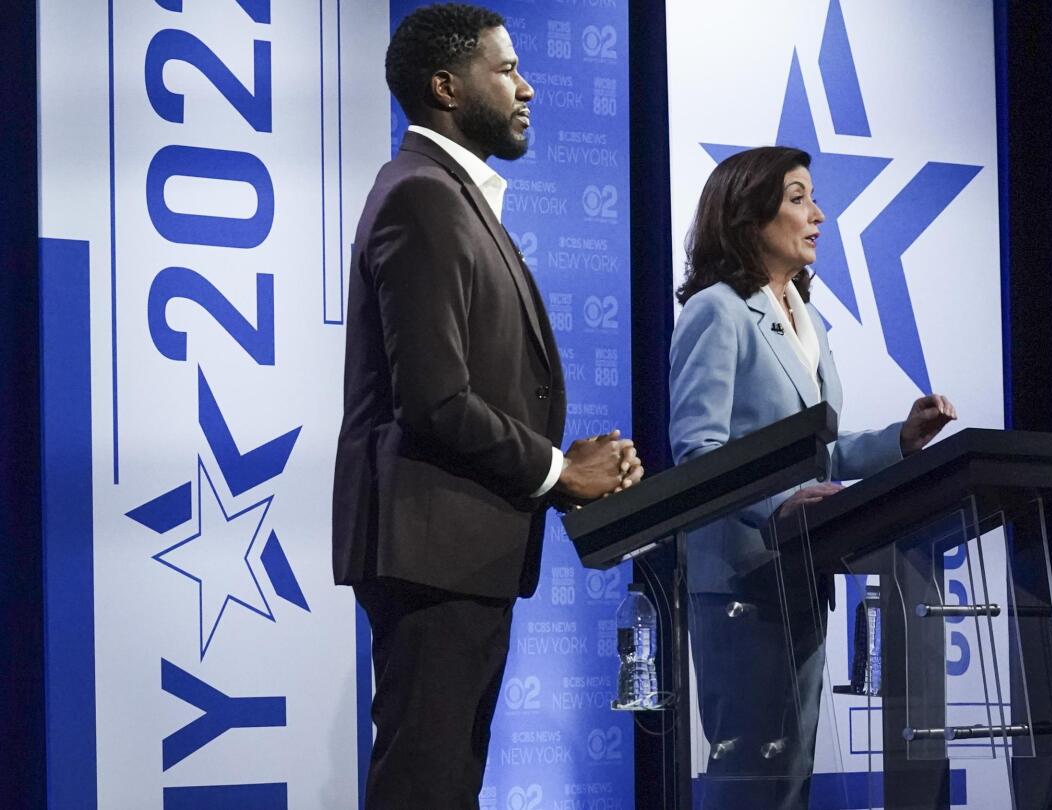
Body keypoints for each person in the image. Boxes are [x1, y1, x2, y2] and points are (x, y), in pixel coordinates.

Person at [331, 5, 642, 808]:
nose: (527, 86)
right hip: (432, 550)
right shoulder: (421, 197)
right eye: (505, 70)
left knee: (445, 786)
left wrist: (574, 462)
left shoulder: (445, 195)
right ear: (445, 86)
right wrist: (558, 470)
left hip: (460, 550)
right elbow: (433, 398)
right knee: (424, 787)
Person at [669, 145, 956, 808]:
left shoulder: (806, 316)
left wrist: (900, 442)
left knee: (789, 774)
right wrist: (777, 507)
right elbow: (699, 451)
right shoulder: (716, 311)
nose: (818, 214)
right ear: (748, 217)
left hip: (798, 574)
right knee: (748, 778)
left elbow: (816, 457)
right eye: (798, 198)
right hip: (738, 580)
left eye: (812, 197)